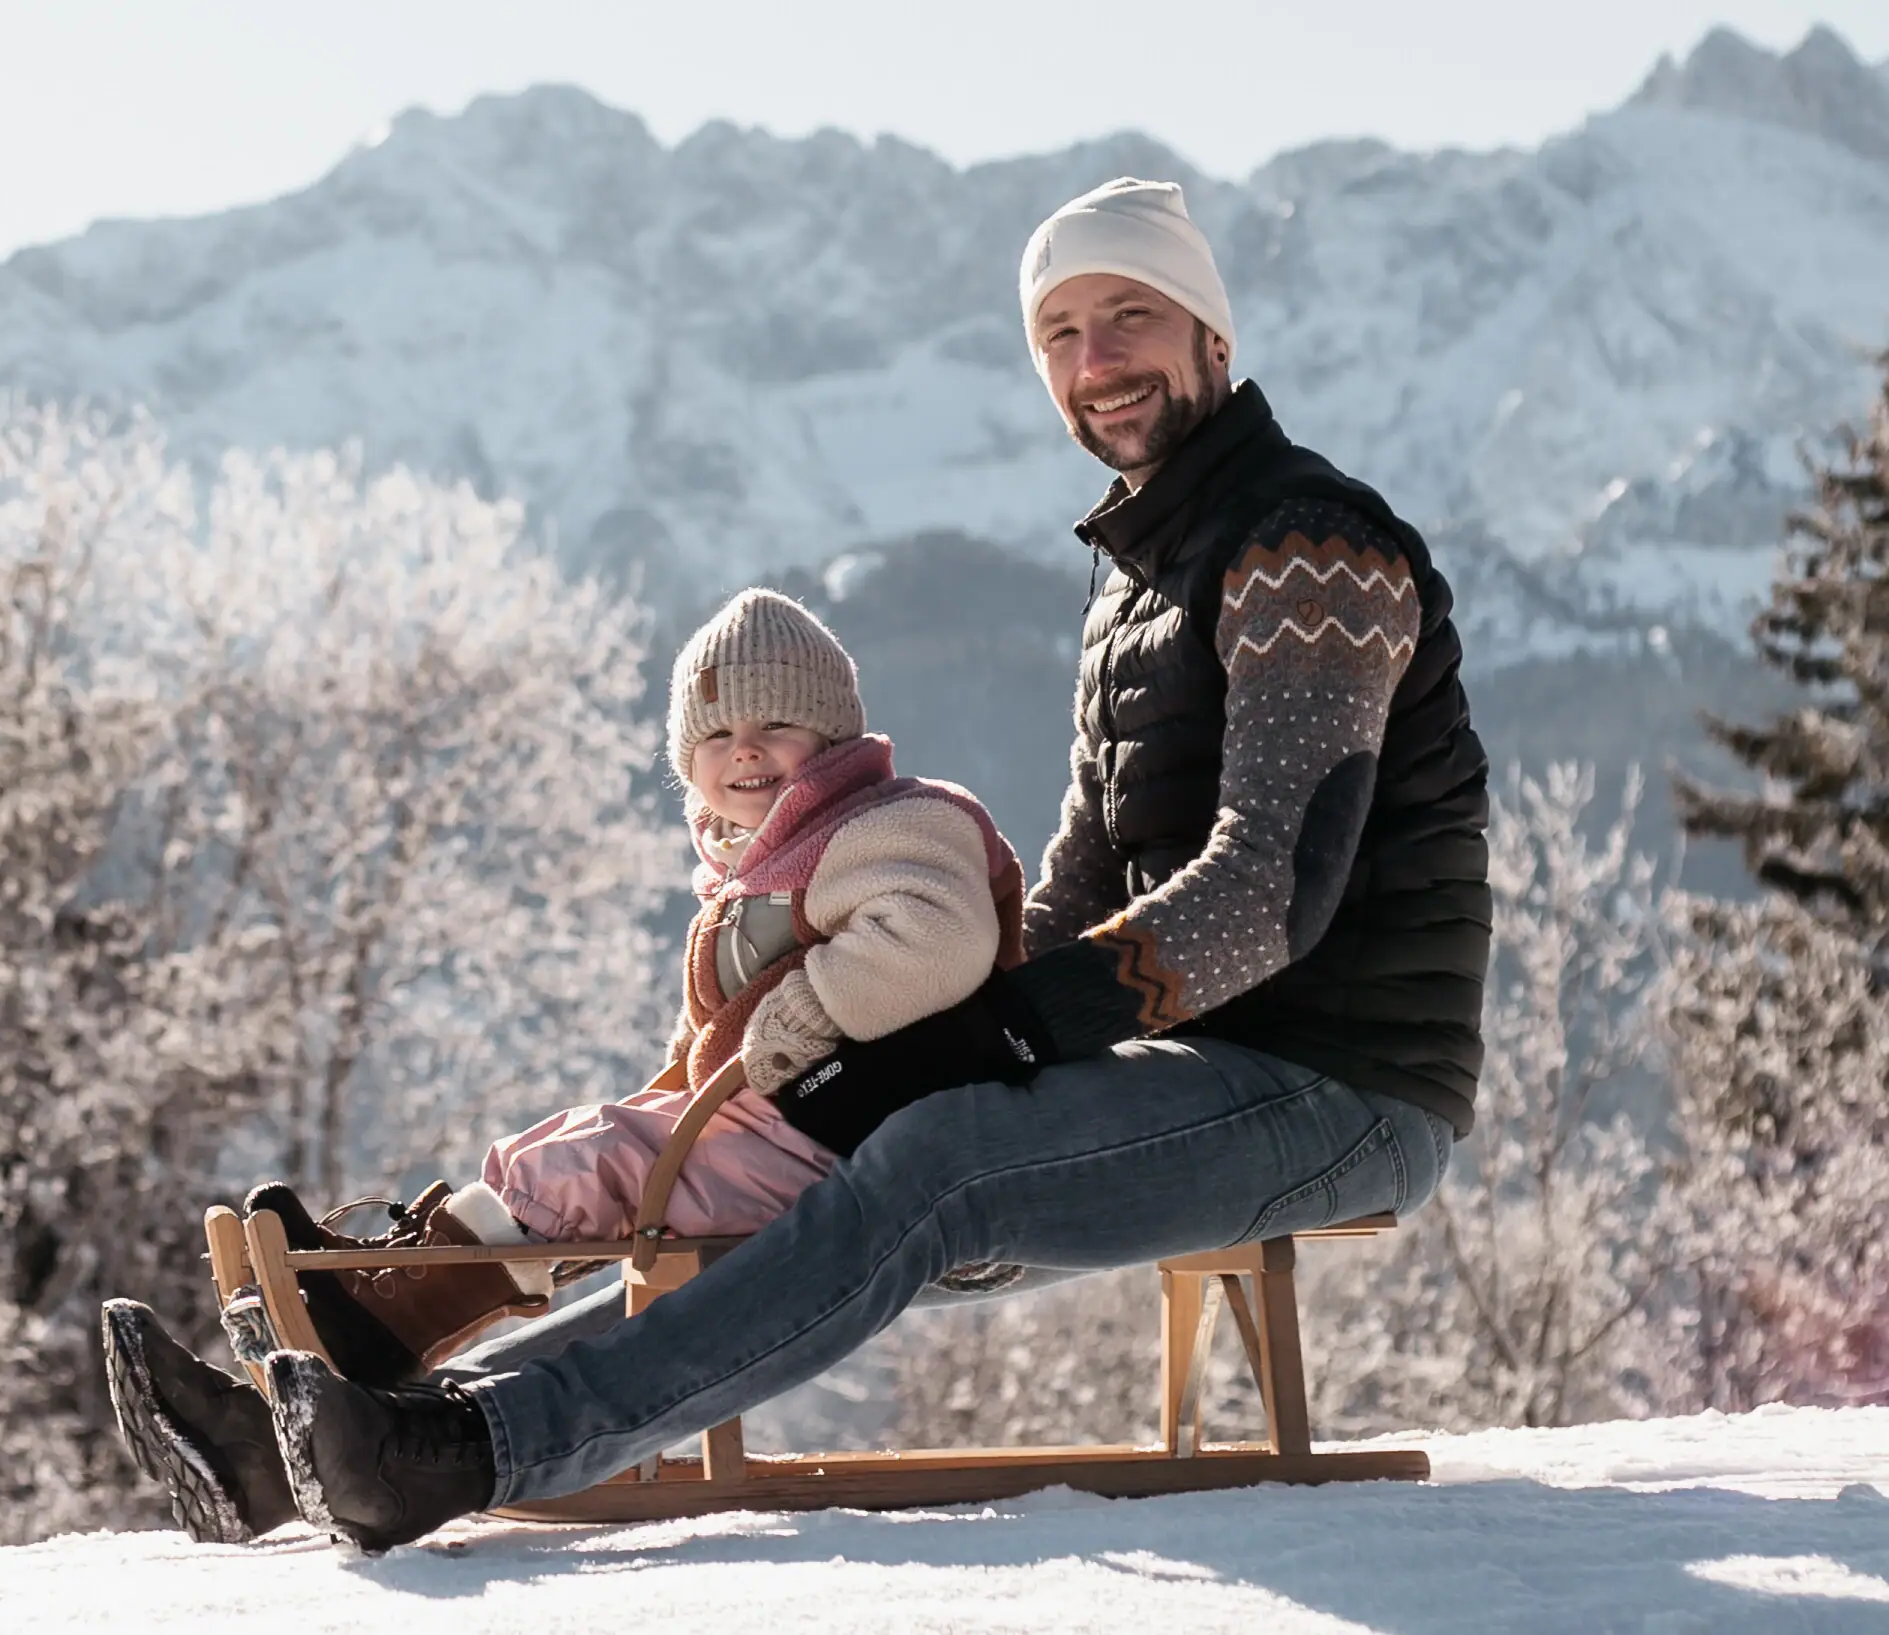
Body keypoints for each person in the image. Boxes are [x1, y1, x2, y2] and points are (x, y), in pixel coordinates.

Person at [104, 175, 1492, 1555]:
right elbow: (1081, 871)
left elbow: (1266, 892)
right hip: (1189, 1066)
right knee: (810, 1144)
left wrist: (995, 1030)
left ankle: (467, 1443)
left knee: (940, 1161)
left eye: (1130, 315)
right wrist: (917, 1027)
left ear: (1211, 337)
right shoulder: (1136, 573)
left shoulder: (1312, 548)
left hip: (1344, 1084)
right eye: (1060, 333)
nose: (1095, 360)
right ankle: (300, 1447)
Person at [236, 587, 1026, 1390]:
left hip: (867, 1146)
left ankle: (386, 1324)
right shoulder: (760, 866)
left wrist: (807, 1008)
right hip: (793, 1125)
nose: (744, 750)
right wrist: (676, 1092)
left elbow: (941, 939)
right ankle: (392, 1296)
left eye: (775, 727)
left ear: (831, 737)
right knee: (570, 1150)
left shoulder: (890, 824)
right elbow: (720, 1029)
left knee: (596, 1160)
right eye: (717, 735)